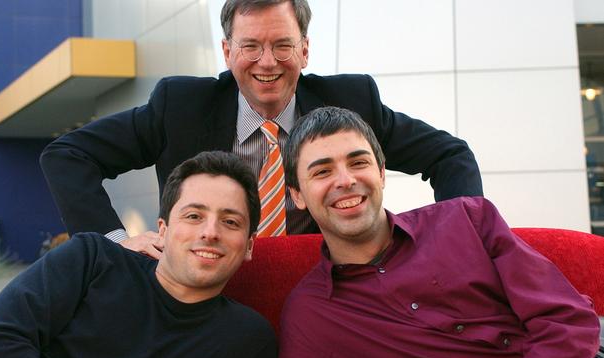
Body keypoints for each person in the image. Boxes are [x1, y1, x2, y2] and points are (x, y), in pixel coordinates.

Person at [40, 0, 483, 258]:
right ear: (227, 50)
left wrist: (453, 240)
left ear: (305, 50)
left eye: (282, 45)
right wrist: (116, 244)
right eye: (250, 46)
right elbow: (67, 155)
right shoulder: (181, 106)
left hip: (326, 290)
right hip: (207, 293)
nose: (267, 62)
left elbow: (450, 155)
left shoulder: (351, 103)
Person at [278, 106, 600, 358]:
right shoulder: (310, 315)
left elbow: (566, 321)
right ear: (298, 195)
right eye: (322, 171)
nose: (345, 180)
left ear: (380, 172)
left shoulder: (467, 219)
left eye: (358, 162)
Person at [0, 151, 277, 358]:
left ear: (249, 245)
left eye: (230, 222)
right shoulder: (92, 259)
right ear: (163, 230)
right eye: (194, 216)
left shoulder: (247, 340)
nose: (210, 232)